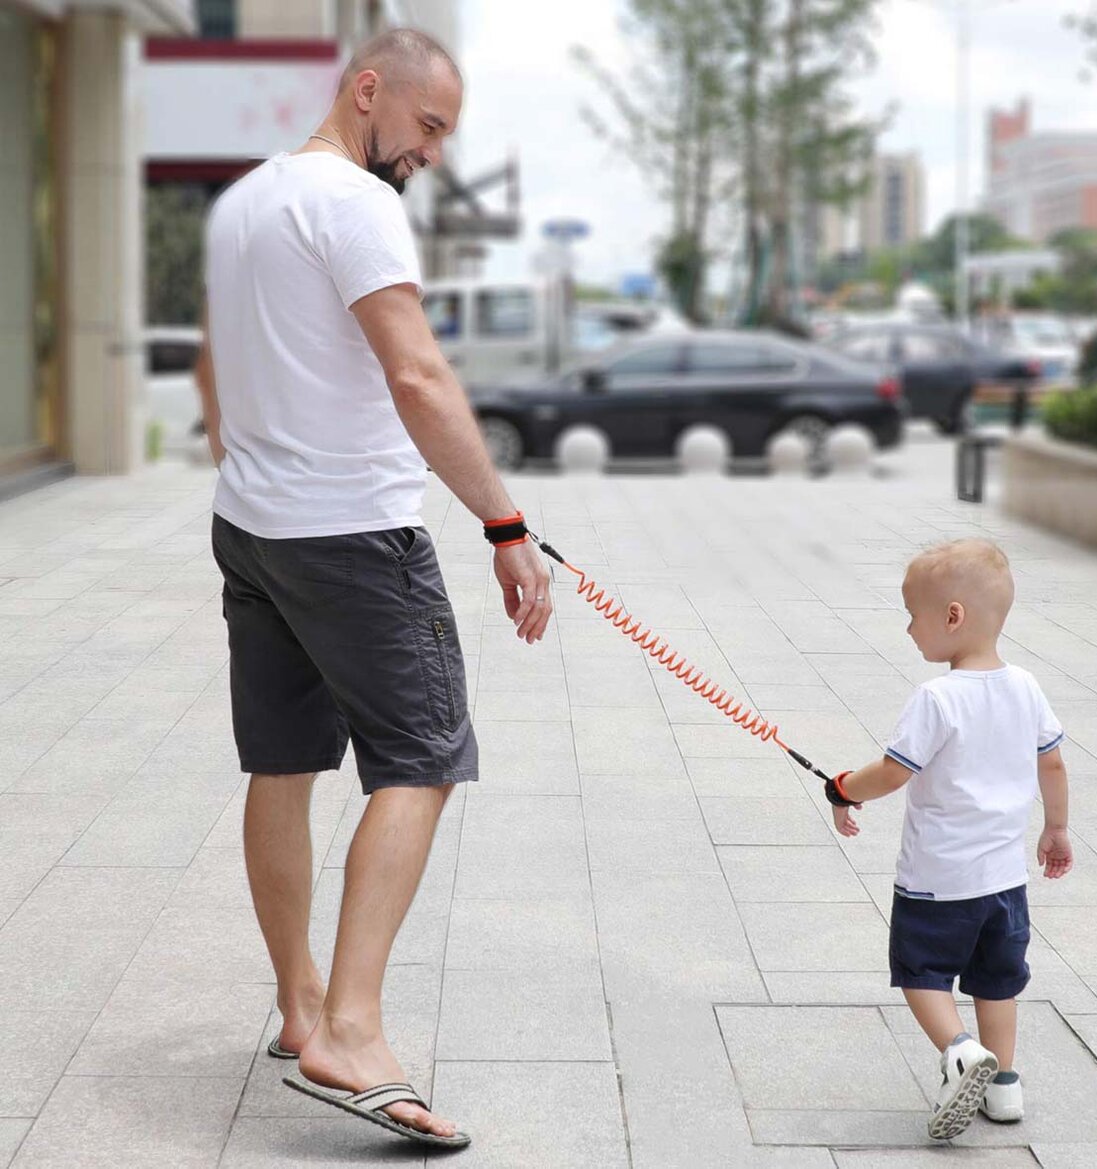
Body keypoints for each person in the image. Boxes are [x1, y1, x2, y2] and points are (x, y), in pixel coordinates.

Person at [195, 28, 552, 1150]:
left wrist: (265, 457)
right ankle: (349, 1027)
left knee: (285, 761)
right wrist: (506, 521)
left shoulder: (245, 202)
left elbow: (219, 363)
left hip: (254, 526)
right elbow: (415, 370)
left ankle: (303, 1002)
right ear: (366, 92)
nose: (432, 154)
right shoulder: (353, 200)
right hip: (351, 536)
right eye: (428, 126)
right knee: (426, 757)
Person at [823, 539, 1072, 1141]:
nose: (909, 628)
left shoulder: (936, 698)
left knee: (921, 973)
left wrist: (842, 789)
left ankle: (958, 1051)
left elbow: (893, 772)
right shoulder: (1026, 686)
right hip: (1005, 884)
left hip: (936, 881)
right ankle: (1004, 1085)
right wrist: (1057, 828)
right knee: (997, 980)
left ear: (952, 616)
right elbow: (1054, 765)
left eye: (913, 614)